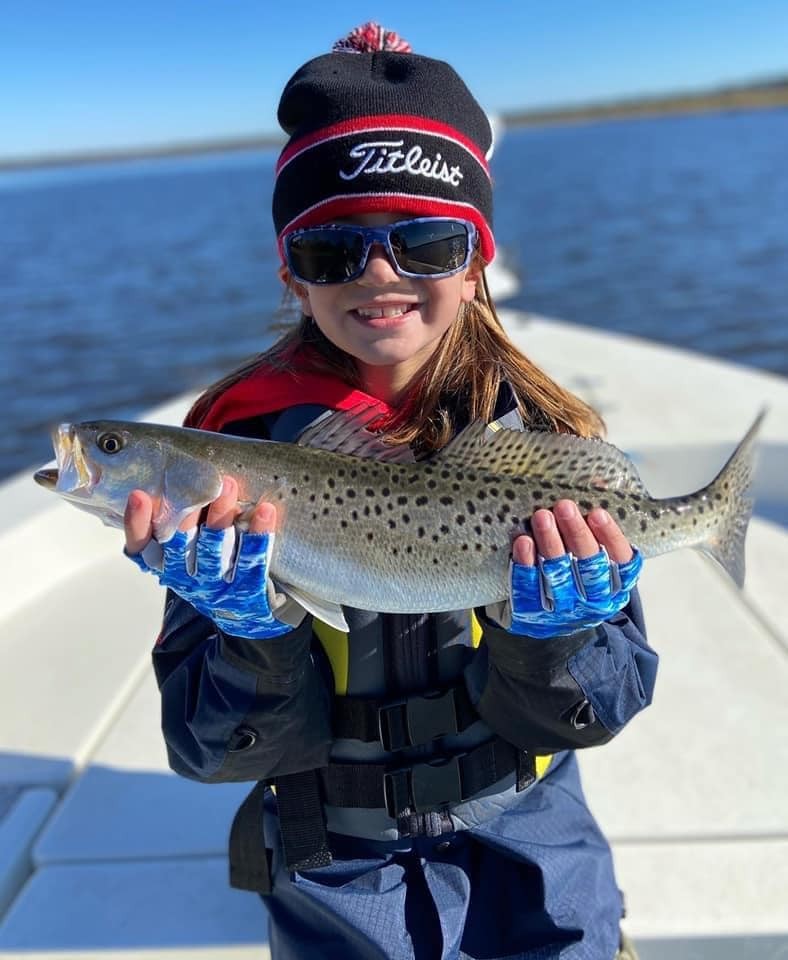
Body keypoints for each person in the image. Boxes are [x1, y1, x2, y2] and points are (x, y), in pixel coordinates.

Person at [123, 21, 655, 960]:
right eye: (334, 251)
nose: (380, 274)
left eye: (427, 241)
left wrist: (559, 638)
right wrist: (254, 638)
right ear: (291, 270)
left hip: (536, 851)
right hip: (336, 870)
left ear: (477, 258)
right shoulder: (232, 454)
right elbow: (206, 748)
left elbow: (602, 707)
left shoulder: (543, 440)